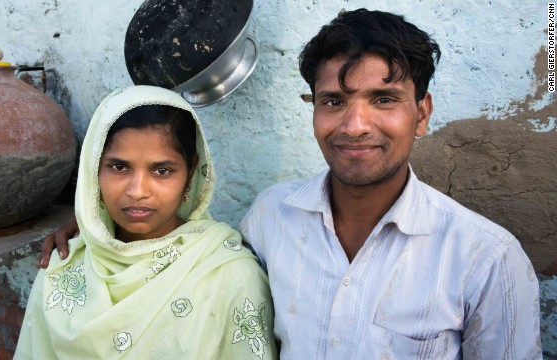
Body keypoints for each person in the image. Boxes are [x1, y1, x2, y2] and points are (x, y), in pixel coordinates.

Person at [38, 8, 542, 360]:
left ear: (422, 114)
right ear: (315, 108)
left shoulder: (486, 261)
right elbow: (195, 266)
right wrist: (94, 235)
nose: (355, 125)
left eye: (384, 99)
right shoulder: (271, 218)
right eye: (334, 101)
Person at [16, 85, 277, 359]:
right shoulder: (62, 266)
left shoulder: (229, 274)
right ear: (94, 169)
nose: (138, 191)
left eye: (162, 170)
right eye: (119, 167)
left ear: (189, 173)